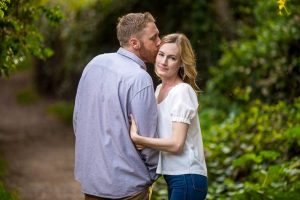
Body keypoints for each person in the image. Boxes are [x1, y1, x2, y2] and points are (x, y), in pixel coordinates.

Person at [73, 12, 161, 200]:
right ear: (135, 43)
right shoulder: (140, 78)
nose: (159, 42)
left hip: (93, 183)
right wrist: (153, 174)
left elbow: (77, 120)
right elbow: (147, 139)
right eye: (154, 38)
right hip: (129, 188)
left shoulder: (94, 64)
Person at [130, 33, 208, 200]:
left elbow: (176, 144)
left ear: (181, 63)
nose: (164, 62)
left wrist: (140, 139)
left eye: (172, 58)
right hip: (174, 178)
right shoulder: (158, 91)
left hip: (188, 177)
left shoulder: (182, 91)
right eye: (161, 54)